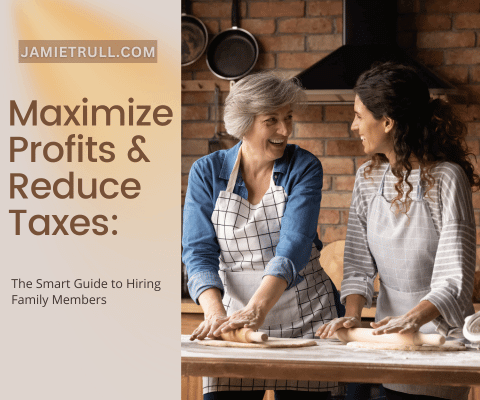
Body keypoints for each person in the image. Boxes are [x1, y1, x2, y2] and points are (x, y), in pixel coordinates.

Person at [316, 62, 478, 400]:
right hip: (389, 342)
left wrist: (414, 319)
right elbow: (358, 262)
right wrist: (352, 317)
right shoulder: (368, 178)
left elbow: (454, 276)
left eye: (360, 116)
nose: (353, 125)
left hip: (439, 343)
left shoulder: (447, 179)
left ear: (387, 122)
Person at [182, 71, 344, 400]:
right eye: (272, 120)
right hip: (234, 322)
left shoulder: (304, 167)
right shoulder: (207, 171)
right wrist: (215, 314)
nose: (285, 130)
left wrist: (258, 309)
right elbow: (198, 252)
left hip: (306, 318)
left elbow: (294, 246)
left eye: (288, 118)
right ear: (245, 123)